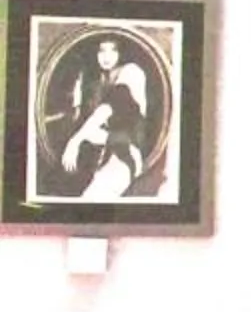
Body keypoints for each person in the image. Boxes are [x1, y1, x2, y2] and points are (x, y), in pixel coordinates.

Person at [37, 32, 159, 203]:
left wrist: (76, 140)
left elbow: (108, 108)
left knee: (93, 199)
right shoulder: (97, 82)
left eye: (113, 50)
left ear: (121, 52)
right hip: (96, 156)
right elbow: (89, 124)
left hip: (124, 154)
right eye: (101, 51)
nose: (106, 57)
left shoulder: (132, 72)